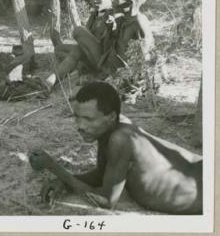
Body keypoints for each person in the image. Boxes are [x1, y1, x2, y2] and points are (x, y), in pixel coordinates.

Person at [29, 81, 202, 214]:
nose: (80, 126)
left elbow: (106, 201)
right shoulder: (111, 126)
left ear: (110, 116)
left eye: (88, 119)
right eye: (77, 117)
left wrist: (54, 167)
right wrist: (64, 182)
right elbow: (101, 174)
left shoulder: (119, 139)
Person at [45, 0, 153, 89]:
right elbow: (109, 45)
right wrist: (110, 29)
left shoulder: (139, 22)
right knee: (65, 49)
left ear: (131, 4)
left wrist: (138, 83)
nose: (113, 2)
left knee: (78, 33)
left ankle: (78, 72)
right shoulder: (121, 18)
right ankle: (52, 81)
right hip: (107, 62)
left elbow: (146, 54)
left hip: (117, 69)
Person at [47, 0, 118, 89]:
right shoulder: (95, 14)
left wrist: (112, 26)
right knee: (59, 49)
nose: (94, 0)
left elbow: (110, 44)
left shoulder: (115, 15)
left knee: (78, 31)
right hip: (92, 55)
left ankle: (53, 80)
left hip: (104, 61)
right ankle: (81, 67)